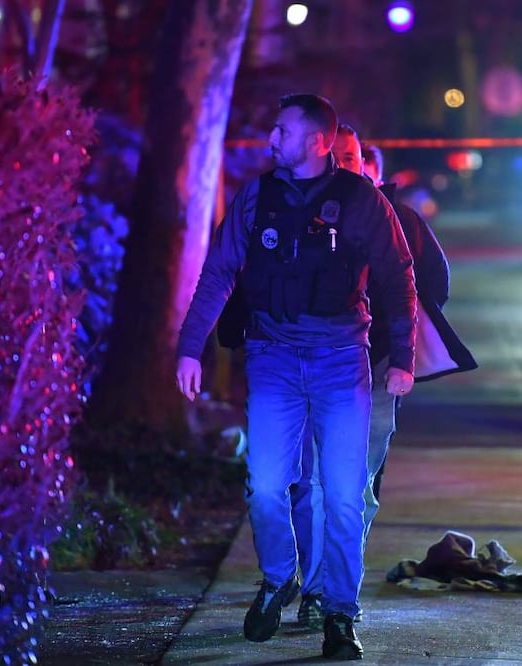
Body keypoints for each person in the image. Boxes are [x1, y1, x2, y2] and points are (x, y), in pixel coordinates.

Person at [175, 94, 417, 661]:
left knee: (344, 495)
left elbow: (397, 276)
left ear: (315, 141)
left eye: (281, 131)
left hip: (340, 360)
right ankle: (279, 577)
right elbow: (218, 272)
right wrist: (191, 349)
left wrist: (402, 357)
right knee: (265, 487)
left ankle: (338, 613)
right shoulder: (257, 196)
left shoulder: (361, 201)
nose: (271, 140)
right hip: (274, 358)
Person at [294, 124, 477, 630]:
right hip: (307, 370)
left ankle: (335, 589)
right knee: (310, 483)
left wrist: (400, 335)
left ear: (367, 163)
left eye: (351, 156)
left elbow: (435, 282)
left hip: (371, 374)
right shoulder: (292, 214)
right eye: (336, 156)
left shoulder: (401, 222)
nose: (345, 164)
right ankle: (316, 589)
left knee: (353, 486)